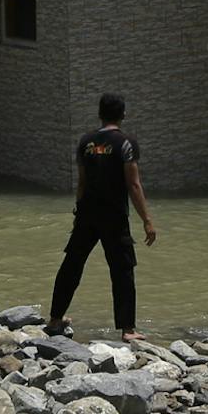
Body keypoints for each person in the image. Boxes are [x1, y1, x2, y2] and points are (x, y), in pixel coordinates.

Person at [46, 93, 156, 340]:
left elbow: (82, 183)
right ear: (123, 114)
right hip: (114, 216)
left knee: (72, 264)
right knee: (122, 270)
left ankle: (55, 319)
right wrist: (147, 219)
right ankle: (128, 329)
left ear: (100, 113)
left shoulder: (85, 142)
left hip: (87, 214)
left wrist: (78, 211)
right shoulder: (126, 143)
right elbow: (134, 184)